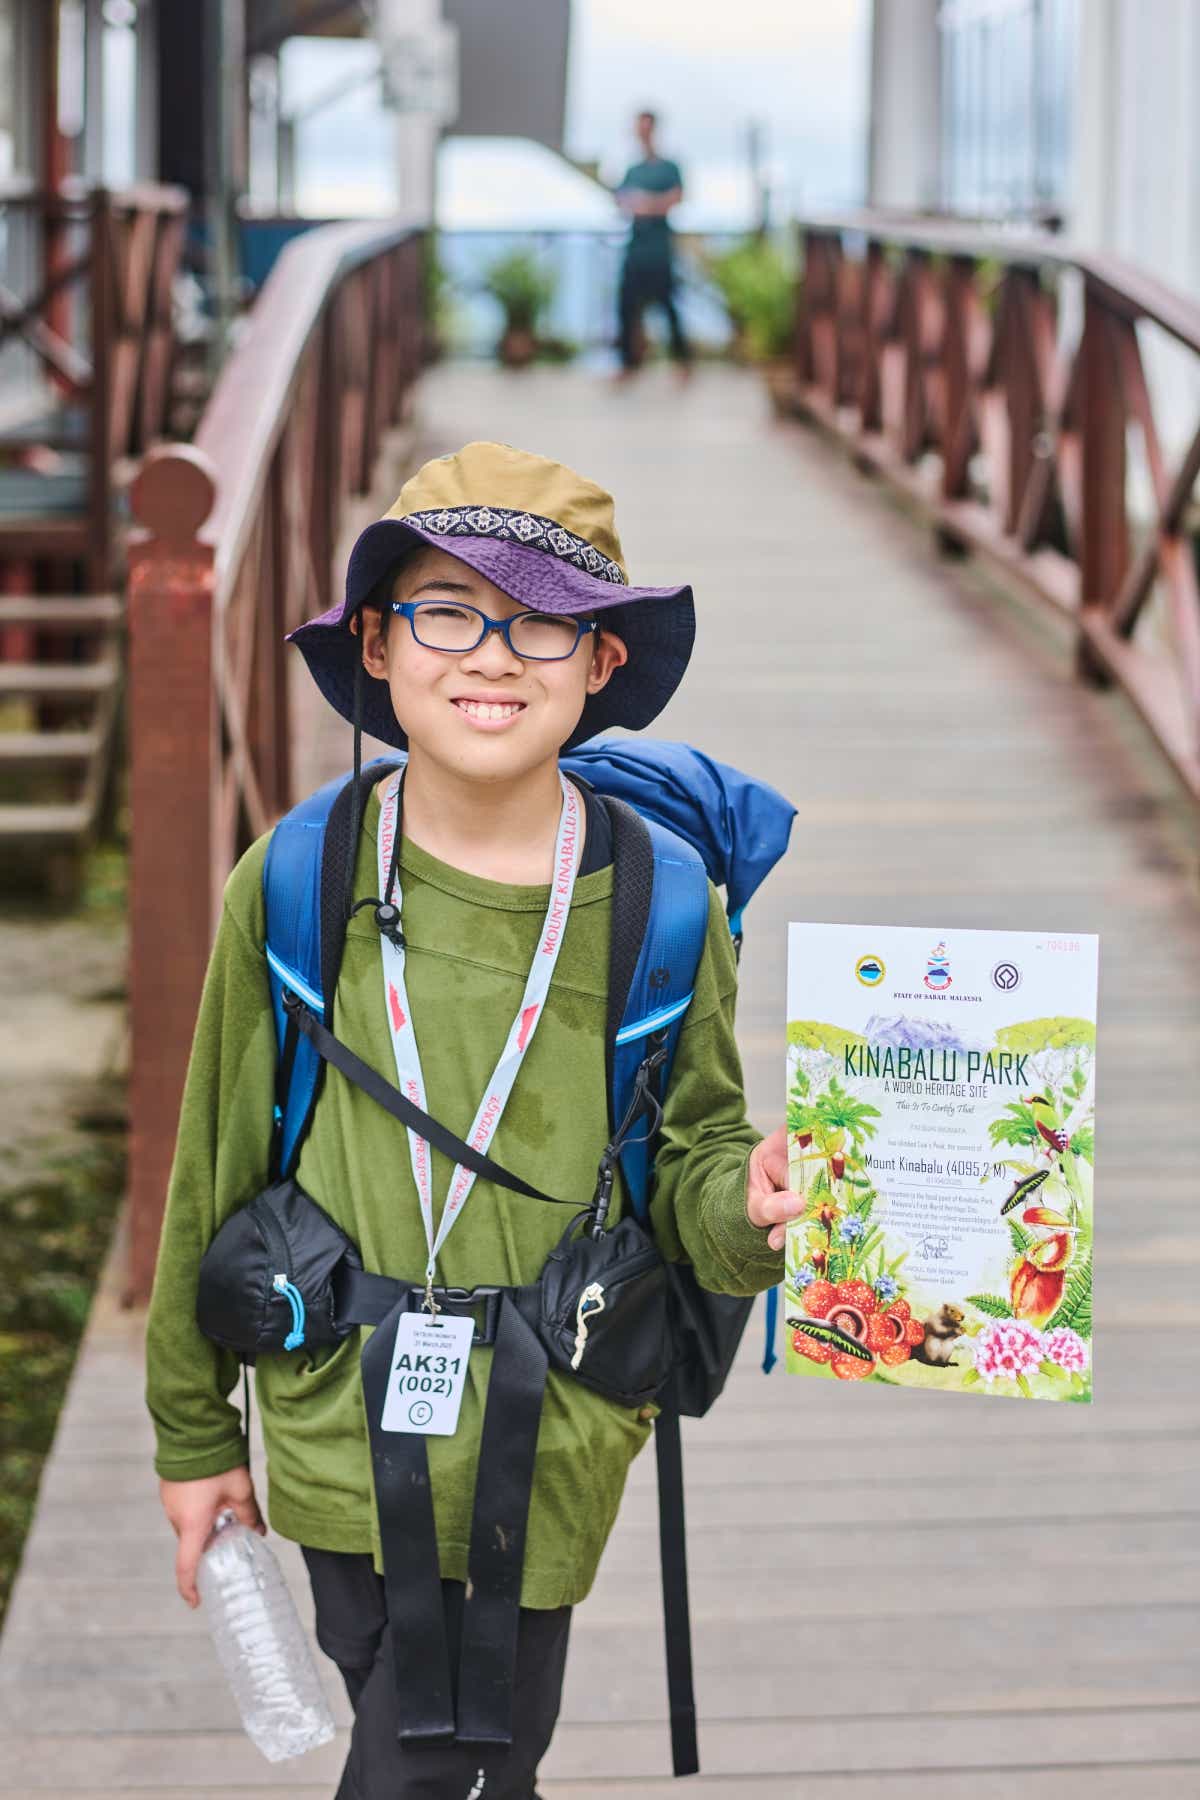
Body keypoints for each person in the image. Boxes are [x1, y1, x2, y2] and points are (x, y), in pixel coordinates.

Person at [145, 441, 799, 1798]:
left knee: (443, 1765)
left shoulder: (662, 901)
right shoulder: (295, 876)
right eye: (448, 611)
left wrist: (749, 1207)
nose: (492, 655)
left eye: (542, 619)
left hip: (548, 1422)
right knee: (447, 1754)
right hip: (328, 1404)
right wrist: (197, 1437)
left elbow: (694, 1156)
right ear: (377, 645)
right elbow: (215, 1165)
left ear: (600, 662)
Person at [614, 109, 691, 374]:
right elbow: (620, 199)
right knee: (625, 304)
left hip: (659, 249)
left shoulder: (669, 167)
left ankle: (682, 362)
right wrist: (647, 203)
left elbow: (676, 198)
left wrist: (646, 204)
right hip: (636, 246)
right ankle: (628, 364)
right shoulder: (632, 169)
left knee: (668, 305)